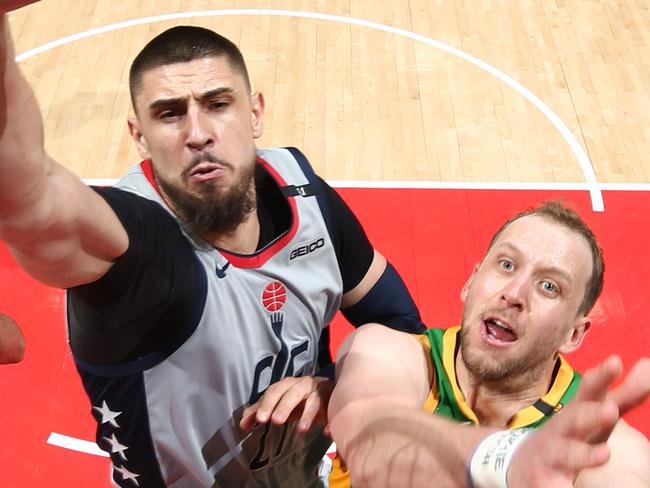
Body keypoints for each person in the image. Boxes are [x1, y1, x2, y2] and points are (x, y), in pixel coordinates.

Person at [0, 3, 425, 487]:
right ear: (139, 138)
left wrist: (337, 387)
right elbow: (28, 198)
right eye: (169, 114)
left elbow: (403, 328)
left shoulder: (302, 192)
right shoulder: (135, 251)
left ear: (255, 112)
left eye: (218, 104)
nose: (198, 133)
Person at [327, 201, 650, 487]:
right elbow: (375, 443)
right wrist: (505, 463)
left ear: (573, 334)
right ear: (471, 283)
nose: (515, 293)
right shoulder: (387, 351)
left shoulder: (603, 443)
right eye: (507, 265)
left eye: (549, 286)